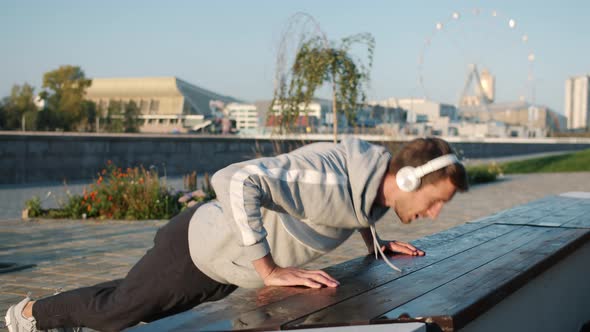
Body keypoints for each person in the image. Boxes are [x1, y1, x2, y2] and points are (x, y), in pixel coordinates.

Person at [5, 137, 468, 332]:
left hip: (229, 264)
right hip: (198, 249)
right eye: (436, 201)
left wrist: (375, 241)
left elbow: (359, 204)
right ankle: (26, 315)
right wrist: (269, 269)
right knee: (118, 313)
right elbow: (233, 179)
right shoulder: (329, 179)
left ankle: (53, 312)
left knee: (132, 302)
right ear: (407, 179)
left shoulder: (372, 186)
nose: (433, 213)